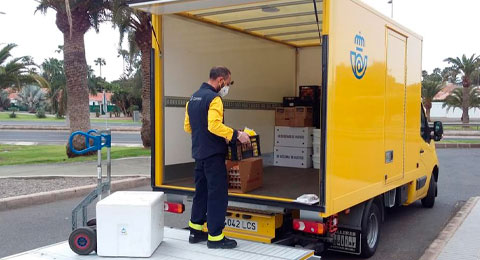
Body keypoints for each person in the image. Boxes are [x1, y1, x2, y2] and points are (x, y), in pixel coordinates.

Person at [183, 66, 250, 249]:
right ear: (220, 80)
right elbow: (213, 126)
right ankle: (215, 237)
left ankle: (195, 231)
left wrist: (202, 134)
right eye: (227, 83)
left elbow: (188, 127)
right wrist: (236, 134)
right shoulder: (214, 99)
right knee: (217, 194)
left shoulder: (193, 98)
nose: (226, 87)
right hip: (213, 155)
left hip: (198, 154)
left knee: (201, 192)